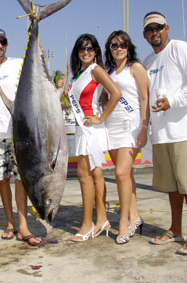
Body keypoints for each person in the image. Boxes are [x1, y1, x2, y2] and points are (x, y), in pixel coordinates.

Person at [143, 12, 187, 255]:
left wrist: (173, 101)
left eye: (158, 27)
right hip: (162, 134)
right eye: (150, 30)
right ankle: (176, 228)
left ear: (167, 28)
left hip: (185, 132)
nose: (154, 32)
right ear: (145, 35)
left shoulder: (180, 48)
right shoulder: (148, 61)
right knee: (172, 186)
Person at [0, 28, 42, 246]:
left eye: (3, 42)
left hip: (20, 134)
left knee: (21, 180)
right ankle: (10, 222)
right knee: (3, 180)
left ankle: (23, 226)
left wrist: (34, 30)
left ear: (7, 44)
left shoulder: (19, 64)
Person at [68, 34, 121, 242]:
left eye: (90, 48)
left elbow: (115, 93)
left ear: (96, 51)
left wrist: (101, 117)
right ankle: (102, 219)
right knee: (95, 175)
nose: (86, 52)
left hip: (91, 129)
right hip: (84, 128)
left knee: (84, 175)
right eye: (82, 49)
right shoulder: (80, 73)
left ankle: (87, 223)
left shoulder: (96, 70)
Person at [103, 30, 149, 244]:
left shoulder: (136, 68)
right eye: (114, 45)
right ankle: (135, 216)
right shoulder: (109, 71)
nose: (118, 48)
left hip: (131, 127)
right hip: (111, 127)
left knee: (120, 173)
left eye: (122, 44)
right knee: (126, 175)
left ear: (129, 47)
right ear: (109, 49)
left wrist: (144, 126)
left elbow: (144, 98)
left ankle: (124, 223)